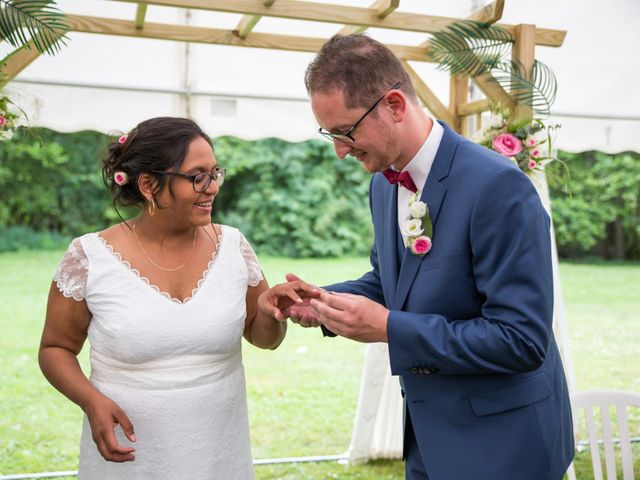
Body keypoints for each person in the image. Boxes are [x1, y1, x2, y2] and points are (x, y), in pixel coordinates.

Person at [271, 34, 575, 480]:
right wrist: (320, 301)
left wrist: (390, 328)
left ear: (394, 104)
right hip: (430, 441)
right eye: (329, 134)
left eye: (345, 132)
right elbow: (391, 282)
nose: (339, 150)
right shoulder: (383, 184)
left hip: (506, 446)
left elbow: (521, 340)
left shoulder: (497, 187)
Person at [38, 117, 316, 479]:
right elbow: (54, 349)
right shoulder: (89, 257)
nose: (212, 187)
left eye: (215, 172)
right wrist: (92, 402)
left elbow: (265, 339)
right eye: (197, 176)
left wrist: (270, 312)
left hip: (218, 451)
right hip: (130, 454)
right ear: (150, 185)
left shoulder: (234, 247)